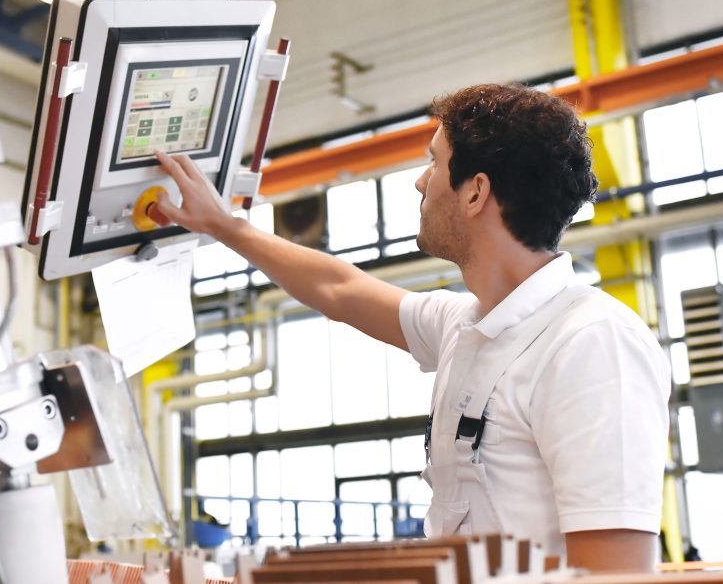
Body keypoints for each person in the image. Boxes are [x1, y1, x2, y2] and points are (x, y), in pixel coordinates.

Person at [151, 83, 671, 573]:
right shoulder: (466, 326)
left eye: (434, 162)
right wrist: (224, 225)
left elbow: (617, 574)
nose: (420, 181)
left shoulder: (590, 343)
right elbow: (339, 290)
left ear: (475, 193)